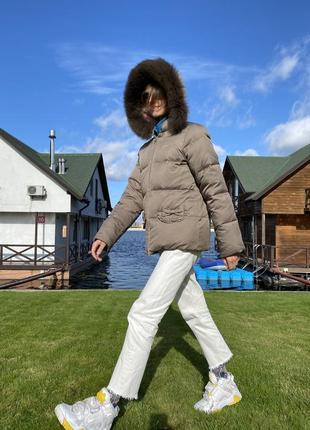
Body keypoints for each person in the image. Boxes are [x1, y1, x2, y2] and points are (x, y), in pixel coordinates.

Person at [55, 58, 245, 430]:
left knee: (142, 314)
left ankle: (107, 405)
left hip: (186, 238)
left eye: (157, 91)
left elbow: (216, 190)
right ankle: (223, 381)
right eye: (144, 95)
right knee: (194, 311)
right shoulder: (146, 154)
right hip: (169, 241)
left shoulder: (193, 135)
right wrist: (105, 234)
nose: (151, 99)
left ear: (171, 94)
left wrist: (229, 243)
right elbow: (129, 202)